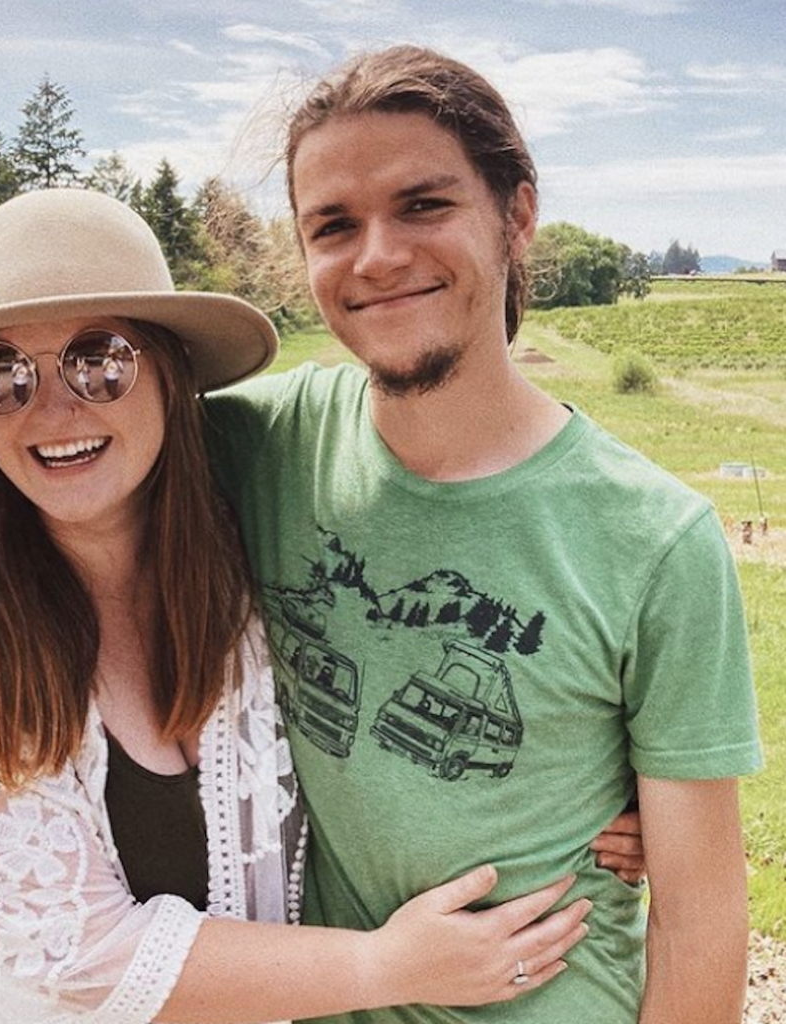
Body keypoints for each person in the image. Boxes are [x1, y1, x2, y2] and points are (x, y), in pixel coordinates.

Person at [0, 187, 602, 1023]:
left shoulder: (258, 527)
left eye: (100, 359)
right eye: (0, 373)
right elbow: (81, 958)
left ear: (170, 373)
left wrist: (574, 784)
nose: (52, 407)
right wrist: (387, 968)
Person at [196, 45, 762, 1024]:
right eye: (332, 225)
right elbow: (71, 449)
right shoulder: (271, 443)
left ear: (517, 213)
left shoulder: (655, 539)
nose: (375, 255)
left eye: (422, 204)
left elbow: (701, 921)